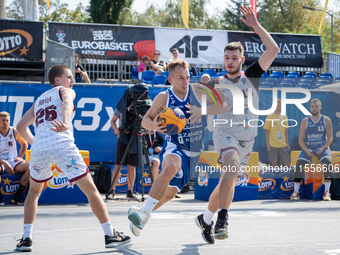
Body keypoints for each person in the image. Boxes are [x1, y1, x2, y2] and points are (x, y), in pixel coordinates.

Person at [15, 65, 130, 252]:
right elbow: (67, 104)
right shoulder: (65, 91)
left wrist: (35, 143)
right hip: (62, 144)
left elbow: (20, 126)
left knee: (33, 193)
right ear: (57, 80)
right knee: (91, 190)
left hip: (39, 150)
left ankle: (26, 239)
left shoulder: (39, 100)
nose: (73, 80)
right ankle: (110, 235)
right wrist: (66, 122)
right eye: (69, 76)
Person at [194, 5, 279, 244]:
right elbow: (201, 101)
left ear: (241, 60)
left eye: (234, 58)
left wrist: (255, 26)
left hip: (247, 138)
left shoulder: (252, 75)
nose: (229, 61)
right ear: (223, 59)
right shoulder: (217, 81)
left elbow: (273, 49)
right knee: (230, 167)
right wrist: (203, 86)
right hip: (224, 133)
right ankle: (223, 218)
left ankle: (206, 218)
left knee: (225, 182)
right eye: (226, 58)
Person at [127, 59, 228, 237]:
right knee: (171, 166)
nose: (185, 81)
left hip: (195, 153)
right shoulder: (164, 97)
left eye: (187, 77)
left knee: (168, 195)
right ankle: (144, 212)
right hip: (175, 146)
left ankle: (142, 213)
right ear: (170, 79)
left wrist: (203, 110)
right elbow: (145, 120)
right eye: (180, 78)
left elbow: (223, 105)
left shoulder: (198, 90)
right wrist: (155, 126)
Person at [290, 98, 333, 201]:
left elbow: (330, 138)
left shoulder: (326, 120)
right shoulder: (305, 121)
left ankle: (326, 192)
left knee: (328, 163)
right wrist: (305, 149)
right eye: (313, 107)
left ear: (320, 108)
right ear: (310, 108)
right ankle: (296, 192)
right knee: (299, 164)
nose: (314, 108)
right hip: (308, 147)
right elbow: (300, 139)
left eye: (316, 107)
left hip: (321, 147)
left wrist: (323, 148)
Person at [108, 108, 139, 199]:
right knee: (118, 165)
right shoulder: (122, 105)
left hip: (136, 138)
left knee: (132, 166)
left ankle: (130, 191)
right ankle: (112, 190)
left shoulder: (141, 105)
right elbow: (113, 120)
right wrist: (116, 130)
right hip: (122, 138)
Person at [0, 111, 30, 204]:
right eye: (3, 120)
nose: (5, 122)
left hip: (13, 160)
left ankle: (18, 195)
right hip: (1, 161)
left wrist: (20, 157)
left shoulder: (14, 131)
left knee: (32, 167)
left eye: (7, 120)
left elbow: (25, 145)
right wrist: (4, 163)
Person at [263, 98, 291, 168]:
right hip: (273, 145)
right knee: (274, 164)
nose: (278, 108)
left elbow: (286, 131)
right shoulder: (269, 116)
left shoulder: (284, 117)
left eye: (280, 106)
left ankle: (289, 177)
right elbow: (267, 131)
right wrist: (267, 144)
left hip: (283, 144)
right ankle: (274, 178)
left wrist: (287, 143)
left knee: (287, 163)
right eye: (277, 106)